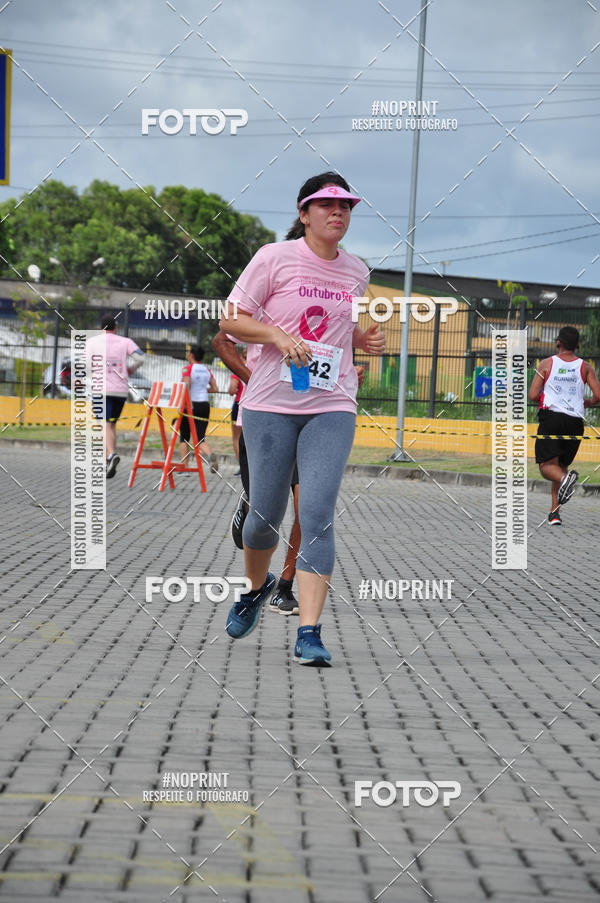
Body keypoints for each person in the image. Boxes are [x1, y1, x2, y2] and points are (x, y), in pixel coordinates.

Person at [219, 172, 385, 665]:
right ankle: (255, 587)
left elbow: (338, 329)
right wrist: (274, 337)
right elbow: (230, 320)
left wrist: (359, 340)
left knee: (315, 515)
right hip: (269, 404)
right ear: (304, 212)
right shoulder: (274, 257)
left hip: (331, 404)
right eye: (328, 204)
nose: (339, 212)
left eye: (347, 206)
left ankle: (308, 632)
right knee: (262, 520)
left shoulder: (356, 270)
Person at [213, 328, 302, 615]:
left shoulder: (327, 306)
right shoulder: (261, 306)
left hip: (309, 421)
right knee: (265, 518)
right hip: (262, 422)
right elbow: (221, 341)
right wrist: (256, 380)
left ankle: (284, 587)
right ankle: (250, 505)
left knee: (307, 511)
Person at [529, 325, 600, 525]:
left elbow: (533, 395)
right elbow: (598, 395)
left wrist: (549, 397)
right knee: (560, 466)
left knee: (546, 467)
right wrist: (588, 402)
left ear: (558, 343)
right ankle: (554, 513)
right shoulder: (585, 367)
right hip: (575, 422)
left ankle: (565, 481)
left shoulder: (546, 364)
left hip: (552, 418)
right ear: (577, 345)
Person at [87, 313, 144, 479]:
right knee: (111, 425)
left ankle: (111, 454)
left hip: (101, 389)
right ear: (116, 327)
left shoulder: (92, 342)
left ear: (100, 327)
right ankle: (107, 463)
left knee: (103, 424)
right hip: (120, 390)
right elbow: (141, 357)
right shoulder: (125, 341)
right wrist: (130, 369)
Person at [179, 345, 219, 474]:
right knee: (200, 438)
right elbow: (215, 388)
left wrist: (183, 403)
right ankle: (210, 454)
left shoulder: (188, 368)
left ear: (191, 355)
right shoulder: (207, 370)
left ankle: (184, 468)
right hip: (204, 404)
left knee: (184, 437)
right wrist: (202, 389)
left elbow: (186, 385)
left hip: (190, 405)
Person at [228, 347, 245, 472]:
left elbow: (232, 390)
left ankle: (242, 467)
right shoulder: (257, 368)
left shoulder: (238, 370)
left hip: (239, 403)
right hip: (255, 405)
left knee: (236, 438)